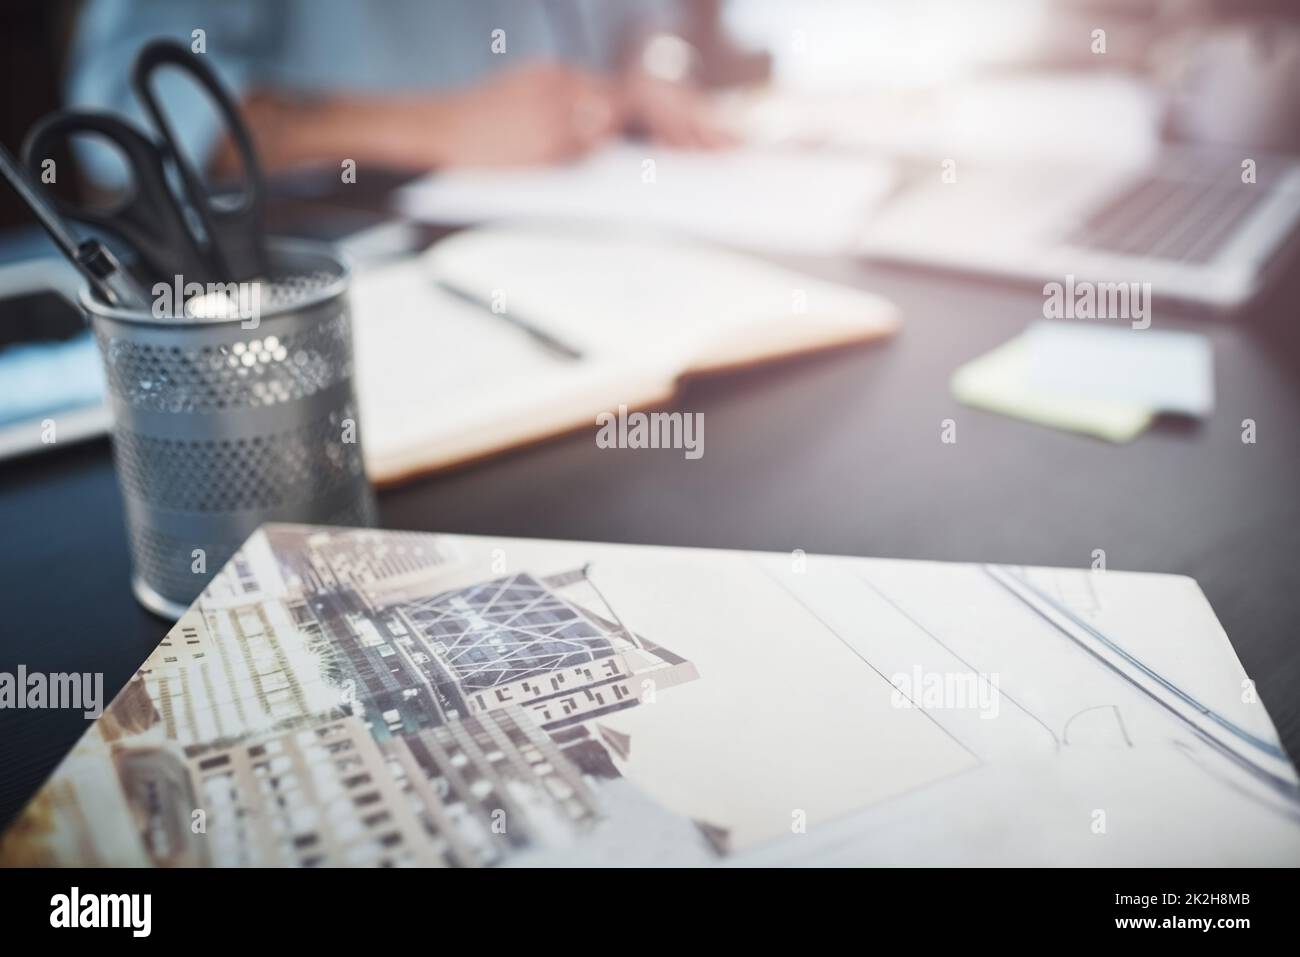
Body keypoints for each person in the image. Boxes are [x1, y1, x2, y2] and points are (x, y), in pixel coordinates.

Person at [66, 0, 732, 184]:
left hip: (614, 211)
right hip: (355, 256)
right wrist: (440, 128)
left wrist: (658, 65)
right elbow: (117, 108)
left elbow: (647, 18)